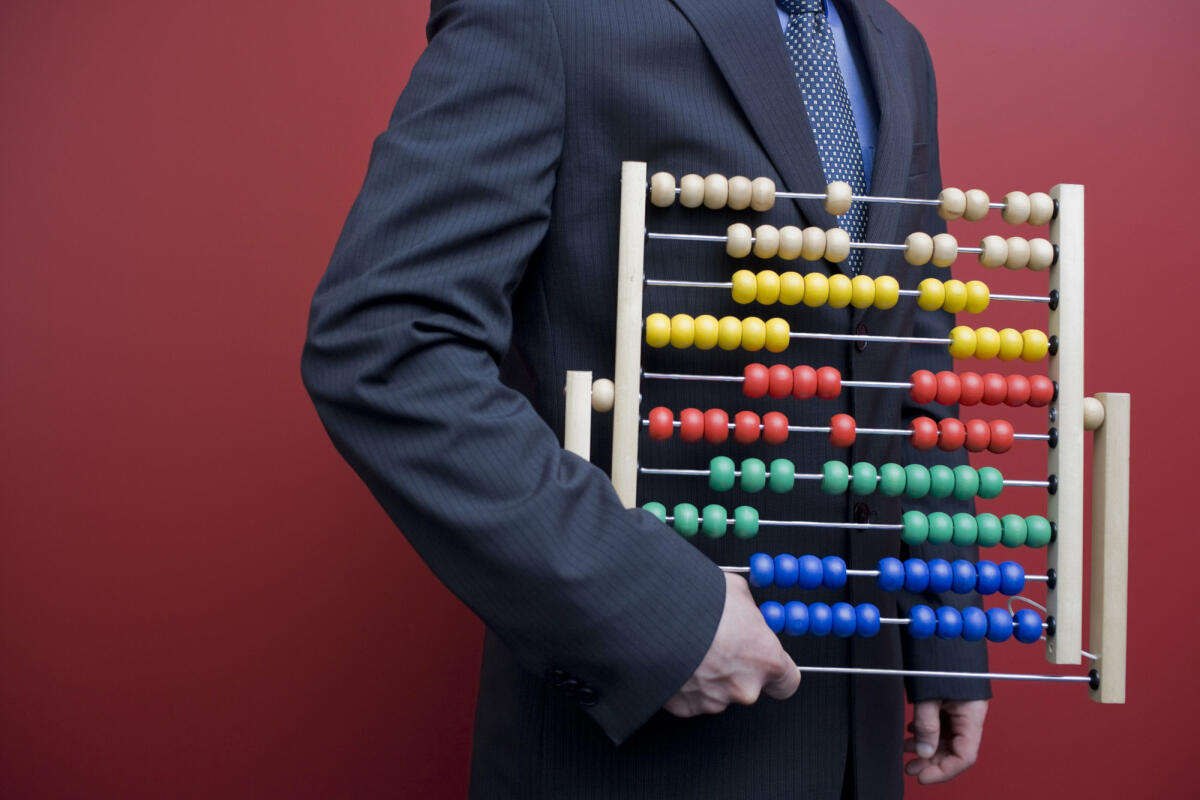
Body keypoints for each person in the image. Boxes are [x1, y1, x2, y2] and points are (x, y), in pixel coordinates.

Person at [302, 1, 989, 796]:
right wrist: (654, 613)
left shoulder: (896, 44)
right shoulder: (549, 13)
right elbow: (388, 341)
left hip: (857, 731)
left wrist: (943, 616)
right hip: (642, 737)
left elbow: (906, 349)